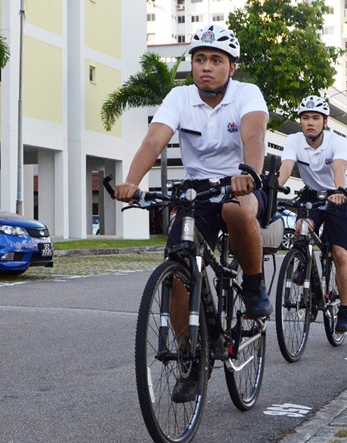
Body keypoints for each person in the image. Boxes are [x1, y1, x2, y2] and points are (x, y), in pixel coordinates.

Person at [113, 24, 270, 402]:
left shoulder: (247, 94)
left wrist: (248, 174)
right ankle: (190, 358)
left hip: (241, 185)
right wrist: (131, 182)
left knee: (236, 210)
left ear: (231, 67)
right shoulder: (180, 97)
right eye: (200, 59)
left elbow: (254, 136)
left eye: (216, 60)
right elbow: (154, 140)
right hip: (198, 192)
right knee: (179, 267)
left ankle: (252, 285)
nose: (206, 66)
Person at [277, 95, 347, 333]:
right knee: (301, 227)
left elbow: (339, 167)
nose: (310, 122)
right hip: (312, 196)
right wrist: (274, 186)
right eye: (305, 118)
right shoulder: (293, 140)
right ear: (300, 121)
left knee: (339, 252)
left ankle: (345, 310)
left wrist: (339, 191)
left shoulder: (336, 141)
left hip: (337, 197)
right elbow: (286, 168)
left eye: (315, 118)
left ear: (325, 122)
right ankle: (304, 266)